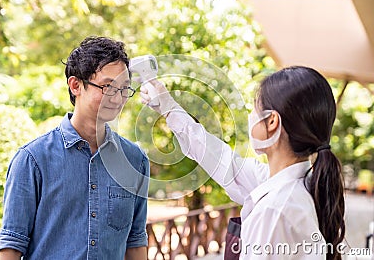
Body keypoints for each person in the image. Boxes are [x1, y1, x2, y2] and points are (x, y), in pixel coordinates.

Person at [140, 66, 345, 259]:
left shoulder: (274, 210)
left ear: (272, 122)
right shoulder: (300, 185)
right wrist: (168, 107)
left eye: (255, 109)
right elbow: (221, 160)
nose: (252, 117)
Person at [0, 36, 150, 260]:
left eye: (124, 88)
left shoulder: (135, 160)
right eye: (108, 87)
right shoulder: (32, 160)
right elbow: (11, 246)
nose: (117, 98)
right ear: (76, 85)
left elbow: (135, 242)